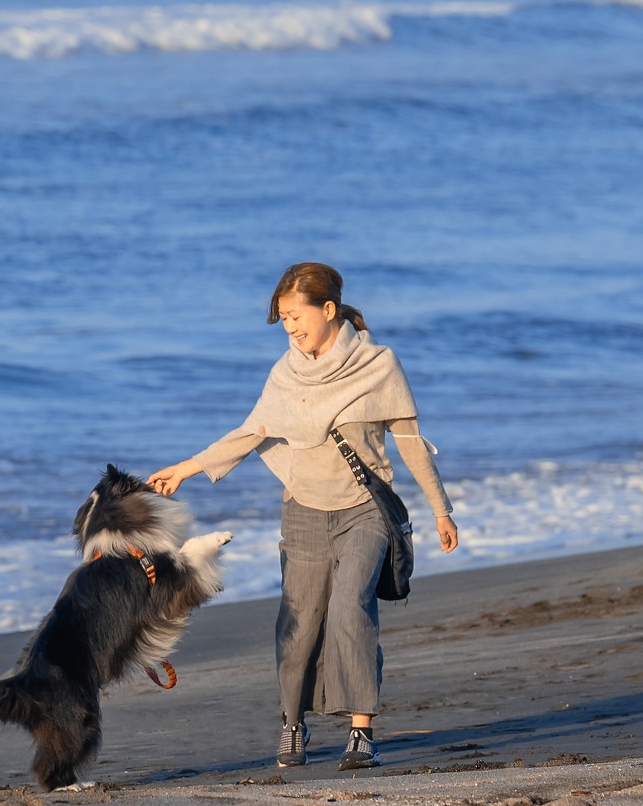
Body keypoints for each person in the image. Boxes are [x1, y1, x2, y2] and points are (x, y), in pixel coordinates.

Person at [147, 261, 458, 772]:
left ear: (328, 310)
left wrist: (440, 511)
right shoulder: (286, 374)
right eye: (283, 318)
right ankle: (293, 721)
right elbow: (250, 433)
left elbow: (409, 444)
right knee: (300, 623)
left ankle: (361, 733)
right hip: (305, 512)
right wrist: (187, 469)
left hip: (364, 510)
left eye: (296, 316)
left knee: (351, 610)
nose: (290, 327)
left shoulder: (378, 364)